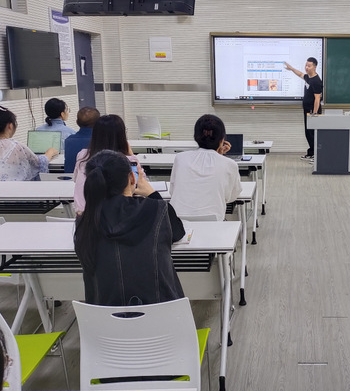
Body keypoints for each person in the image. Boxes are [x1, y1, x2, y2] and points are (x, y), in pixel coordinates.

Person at [74, 150, 185, 306]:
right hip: (161, 314)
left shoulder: (85, 221)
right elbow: (178, 232)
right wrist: (152, 193)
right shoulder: (157, 210)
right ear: (132, 177)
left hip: (103, 318)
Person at [170, 114, 242, 221]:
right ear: (222, 140)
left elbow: (172, 191)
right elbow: (232, 196)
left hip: (177, 222)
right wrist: (219, 156)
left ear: (195, 137)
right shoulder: (230, 164)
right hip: (213, 223)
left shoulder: (180, 158)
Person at [73, 114, 145, 213]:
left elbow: (75, 179)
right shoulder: (128, 160)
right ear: (121, 135)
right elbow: (141, 184)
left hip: (83, 215)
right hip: (115, 217)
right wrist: (132, 155)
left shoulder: (82, 155)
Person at [0, 106, 58, 181]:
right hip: (15, 188)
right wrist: (50, 152)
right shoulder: (16, 146)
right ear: (10, 126)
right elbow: (38, 163)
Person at [284, 58, 323, 161]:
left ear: (314, 67)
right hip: (307, 110)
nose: (306, 67)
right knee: (308, 133)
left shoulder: (316, 81)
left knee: (312, 133)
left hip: (312, 111)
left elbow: (317, 99)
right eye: (306, 65)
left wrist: (314, 114)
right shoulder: (308, 77)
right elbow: (300, 74)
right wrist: (292, 68)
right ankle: (311, 153)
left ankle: (316, 155)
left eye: (309, 66)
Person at [64, 107, 100, 174]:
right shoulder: (101, 140)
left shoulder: (68, 141)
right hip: (94, 179)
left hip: (71, 179)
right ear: (98, 123)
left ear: (77, 122)